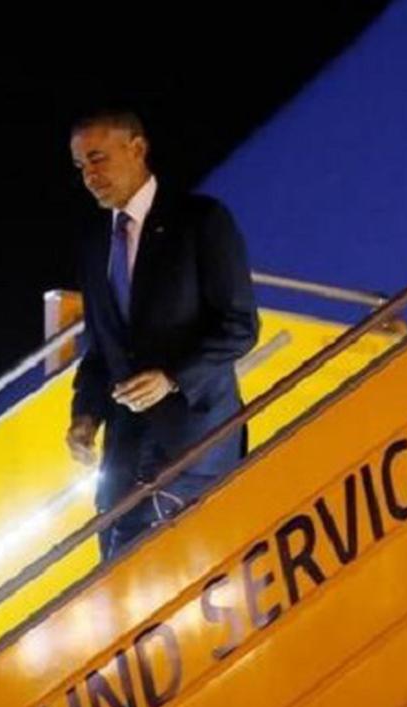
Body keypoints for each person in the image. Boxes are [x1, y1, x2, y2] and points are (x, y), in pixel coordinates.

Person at [65, 109, 259, 559]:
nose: (90, 176)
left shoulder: (201, 221)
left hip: (195, 435)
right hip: (124, 446)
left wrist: (170, 377)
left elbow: (240, 327)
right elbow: (102, 347)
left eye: (97, 159)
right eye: (80, 167)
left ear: (137, 148)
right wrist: (85, 415)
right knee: (115, 572)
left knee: (171, 565)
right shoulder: (96, 246)